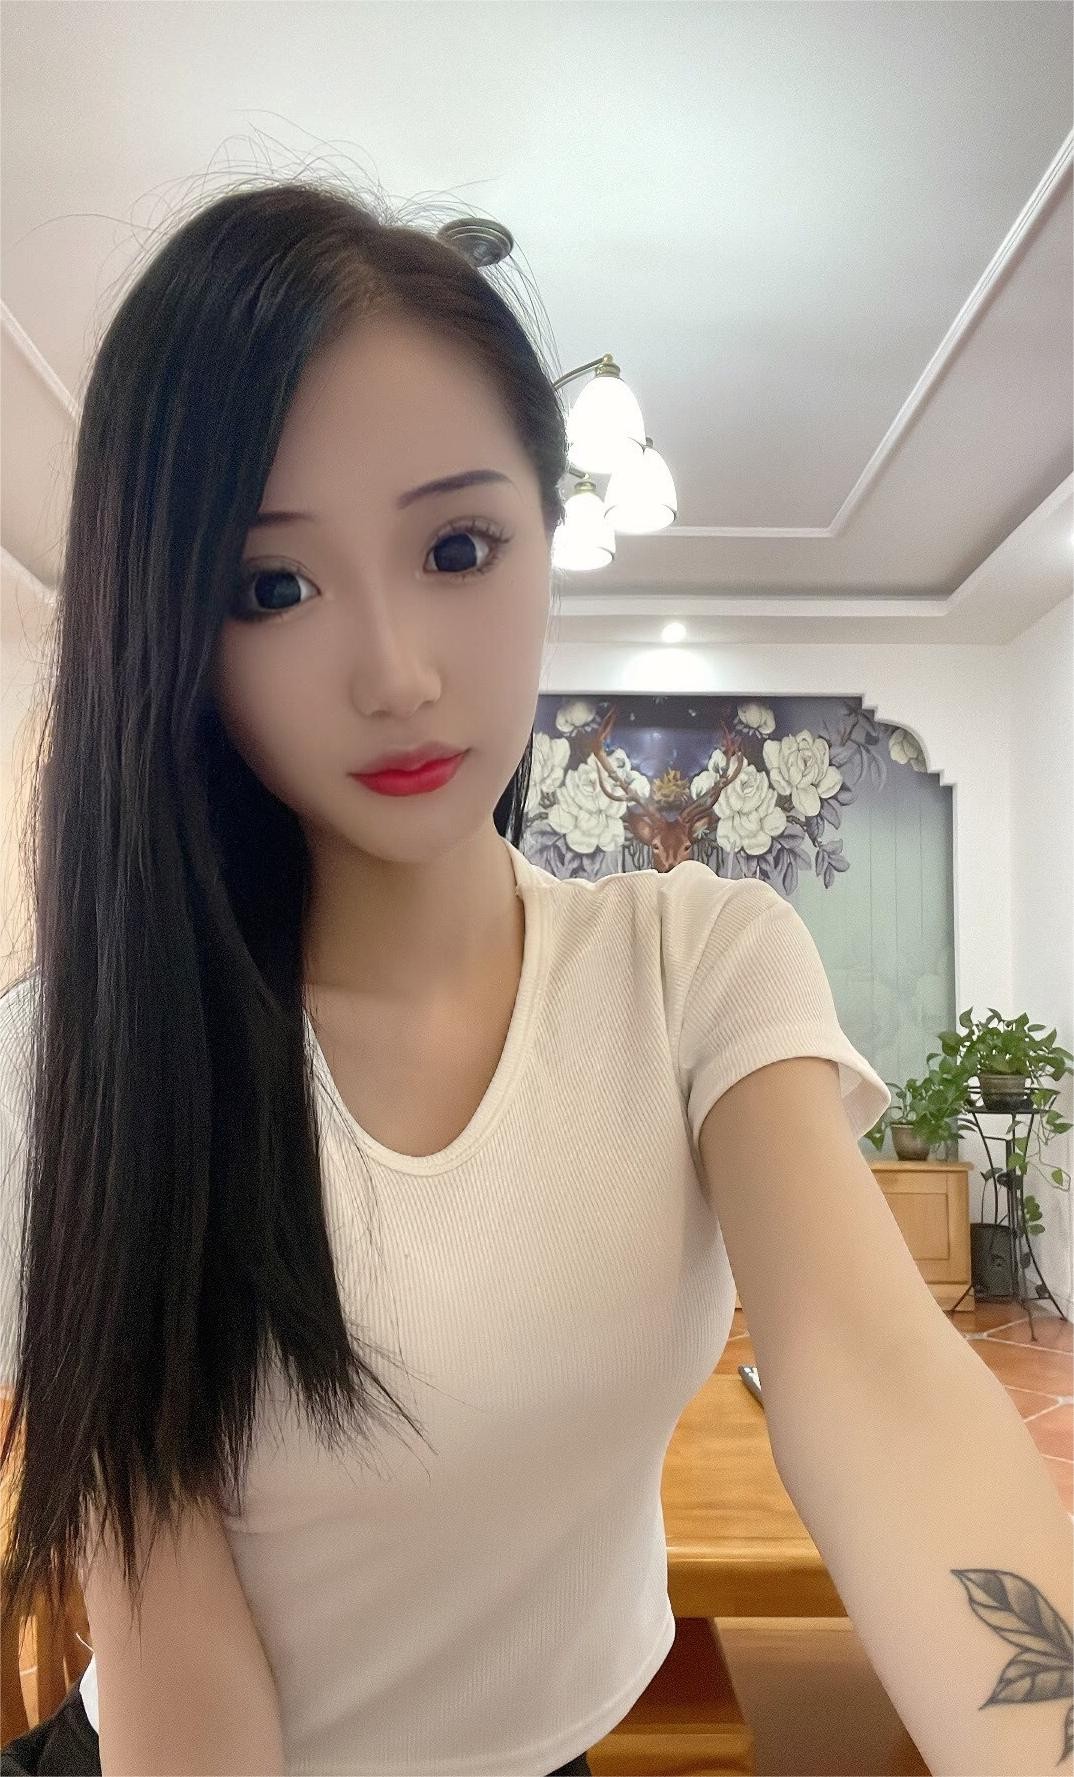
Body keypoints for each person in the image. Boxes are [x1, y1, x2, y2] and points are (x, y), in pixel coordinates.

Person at [0, 177, 890, 1776]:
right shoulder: (85, 1051)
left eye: (458, 546)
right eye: (271, 586)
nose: (397, 673)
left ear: (547, 534)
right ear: (174, 634)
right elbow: (178, 1656)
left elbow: (877, 1392)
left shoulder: (698, 961)